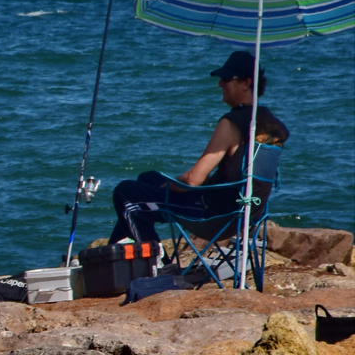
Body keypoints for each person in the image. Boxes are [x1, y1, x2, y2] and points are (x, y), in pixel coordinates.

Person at [108, 51, 289, 246]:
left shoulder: (232, 123)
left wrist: (167, 187)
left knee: (125, 192)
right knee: (147, 178)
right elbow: (239, 174)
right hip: (246, 212)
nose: (220, 84)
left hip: (212, 214)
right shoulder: (273, 125)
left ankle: (154, 264)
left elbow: (193, 180)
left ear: (246, 82)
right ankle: (112, 257)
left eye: (226, 79)